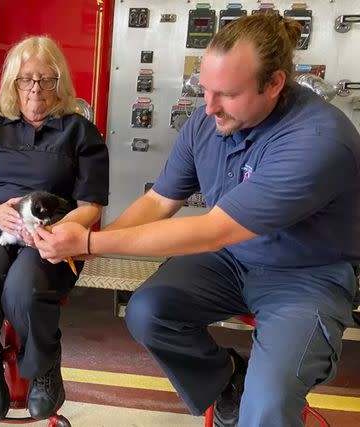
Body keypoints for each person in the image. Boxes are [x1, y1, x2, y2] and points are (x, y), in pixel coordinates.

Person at [34, 14, 360, 427]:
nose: (209, 107)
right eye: (205, 89)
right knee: (148, 311)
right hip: (233, 260)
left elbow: (212, 230)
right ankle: (227, 381)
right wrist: (84, 243)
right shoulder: (208, 123)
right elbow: (159, 201)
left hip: (304, 275)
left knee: (268, 406)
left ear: (274, 83)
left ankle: (255, 395)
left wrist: (90, 245)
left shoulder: (317, 140)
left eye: (226, 94)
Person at [0, 36, 109, 422]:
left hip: (52, 233)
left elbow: (90, 207)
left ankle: (43, 365)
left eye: (46, 79)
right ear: (12, 81)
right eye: (26, 79)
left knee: (23, 289)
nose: (36, 88)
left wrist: (52, 229)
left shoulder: (80, 131)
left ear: (61, 81)